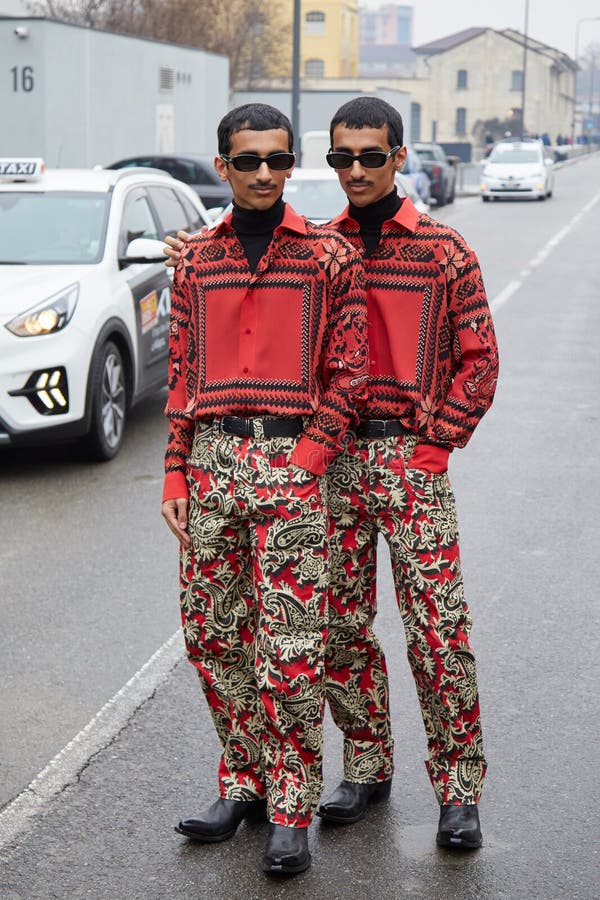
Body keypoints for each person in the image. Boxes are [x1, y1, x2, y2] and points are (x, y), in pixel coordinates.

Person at [164, 96, 499, 852]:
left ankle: (458, 786)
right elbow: (243, 264)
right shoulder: (320, 243)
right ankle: (369, 764)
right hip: (328, 469)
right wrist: (188, 249)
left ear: (398, 157)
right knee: (339, 630)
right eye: (340, 157)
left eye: (370, 156)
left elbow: (480, 361)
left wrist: (436, 445)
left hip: (408, 460)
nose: (353, 170)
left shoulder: (443, 250)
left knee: (438, 630)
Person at [160, 102, 368, 876]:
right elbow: (182, 373)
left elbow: (349, 372)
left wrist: (309, 461)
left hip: (291, 465)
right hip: (213, 462)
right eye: (247, 162)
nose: (263, 175)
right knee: (212, 636)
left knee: (288, 645)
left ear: (292, 164)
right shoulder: (194, 261)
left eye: (277, 161)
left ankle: (290, 807)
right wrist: (175, 468)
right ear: (222, 168)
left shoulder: (326, 257)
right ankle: (241, 779)